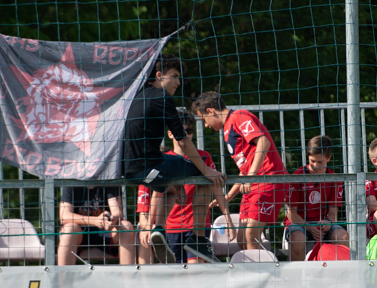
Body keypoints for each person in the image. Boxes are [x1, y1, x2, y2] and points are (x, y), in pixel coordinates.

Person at [123, 55, 229, 263]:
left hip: (128, 170)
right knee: (203, 171)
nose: (179, 83)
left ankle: (159, 229)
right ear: (159, 75)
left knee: (170, 188)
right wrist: (206, 170)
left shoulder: (136, 95)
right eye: (175, 77)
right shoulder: (162, 98)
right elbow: (182, 141)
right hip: (150, 166)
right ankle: (198, 239)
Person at [192, 91, 288, 252]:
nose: (206, 125)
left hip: (267, 180)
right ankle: (261, 269)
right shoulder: (227, 129)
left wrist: (251, 177)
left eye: (204, 120)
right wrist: (229, 195)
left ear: (210, 111)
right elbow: (245, 169)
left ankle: (261, 276)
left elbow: (263, 142)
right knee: (242, 240)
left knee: (251, 235)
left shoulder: (239, 117)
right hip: (253, 184)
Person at [137, 110, 219, 263]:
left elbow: (217, 188)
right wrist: (148, 225)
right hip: (172, 226)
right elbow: (154, 196)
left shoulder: (204, 157)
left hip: (197, 226)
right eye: (182, 131)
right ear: (169, 134)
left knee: (195, 269)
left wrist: (227, 216)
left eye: (189, 131)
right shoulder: (162, 161)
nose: (186, 135)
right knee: (172, 272)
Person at [283, 135, 349, 261]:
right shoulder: (297, 176)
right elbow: (291, 214)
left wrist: (328, 222)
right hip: (299, 223)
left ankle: (340, 276)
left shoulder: (334, 178)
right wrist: (309, 227)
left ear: (329, 158)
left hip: (323, 223)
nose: (315, 165)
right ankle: (298, 277)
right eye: (312, 161)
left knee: (343, 237)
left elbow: (333, 213)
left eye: (320, 162)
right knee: (297, 239)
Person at [57, 185, 137, 265]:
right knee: (69, 229)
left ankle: (128, 276)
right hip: (79, 232)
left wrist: (112, 220)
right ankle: (63, 276)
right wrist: (95, 220)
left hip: (105, 230)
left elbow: (117, 212)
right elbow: (64, 216)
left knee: (126, 226)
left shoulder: (109, 177)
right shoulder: (71, 181)